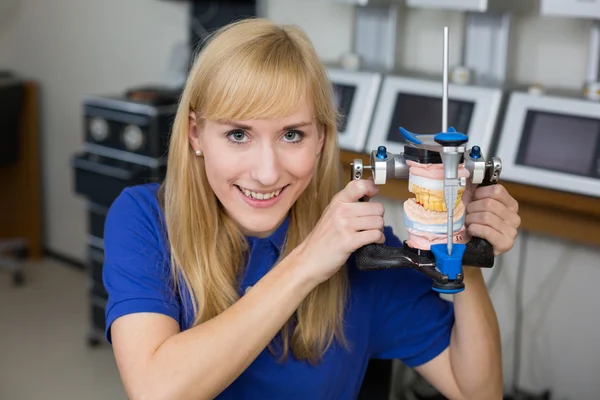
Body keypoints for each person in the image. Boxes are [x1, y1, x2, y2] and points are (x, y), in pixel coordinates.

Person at [103, 18, 521, 400]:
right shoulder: (144, 220)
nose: (267, 173)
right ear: (196, 133)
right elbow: (157, 390)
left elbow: (478, 392)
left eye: (291, 134)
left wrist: (462, 256)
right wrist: (306, 263)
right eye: (237, 134)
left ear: (321, 138)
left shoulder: (363, 253)